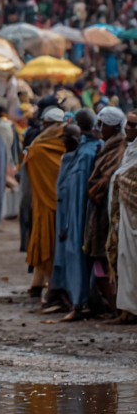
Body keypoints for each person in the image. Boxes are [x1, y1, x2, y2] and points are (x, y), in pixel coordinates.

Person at [51, 109, 101, 319]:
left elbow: (78, 193)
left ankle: (80, 303)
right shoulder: (83, 150)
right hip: (73, 216)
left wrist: (68, 225)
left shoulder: (86, 154)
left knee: (76, 256)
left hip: (77, 217)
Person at [86, 107, 128, 314]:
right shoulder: (109, 145)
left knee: (106, 257)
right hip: (100, 209)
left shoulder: (120, 147)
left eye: (103, 125)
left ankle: (116, 306)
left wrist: (95, 190)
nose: (100, 129)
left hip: (107, 210)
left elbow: (109, 178)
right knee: (100, 257)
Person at [23, 107, 67, 300]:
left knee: (47, 241)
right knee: (48, 242)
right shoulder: (68, 144)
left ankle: (48, 286)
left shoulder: (39, 147)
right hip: (58, 202)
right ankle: (38, 284)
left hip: (49, 202)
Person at [109, 111, 137, 323]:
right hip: (126, 217)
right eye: (128, 124)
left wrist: (121, 180)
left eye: (133, 125)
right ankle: (126, 310)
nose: (128, 128)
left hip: (133, 214)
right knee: (125, 259)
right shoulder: (129, 150)